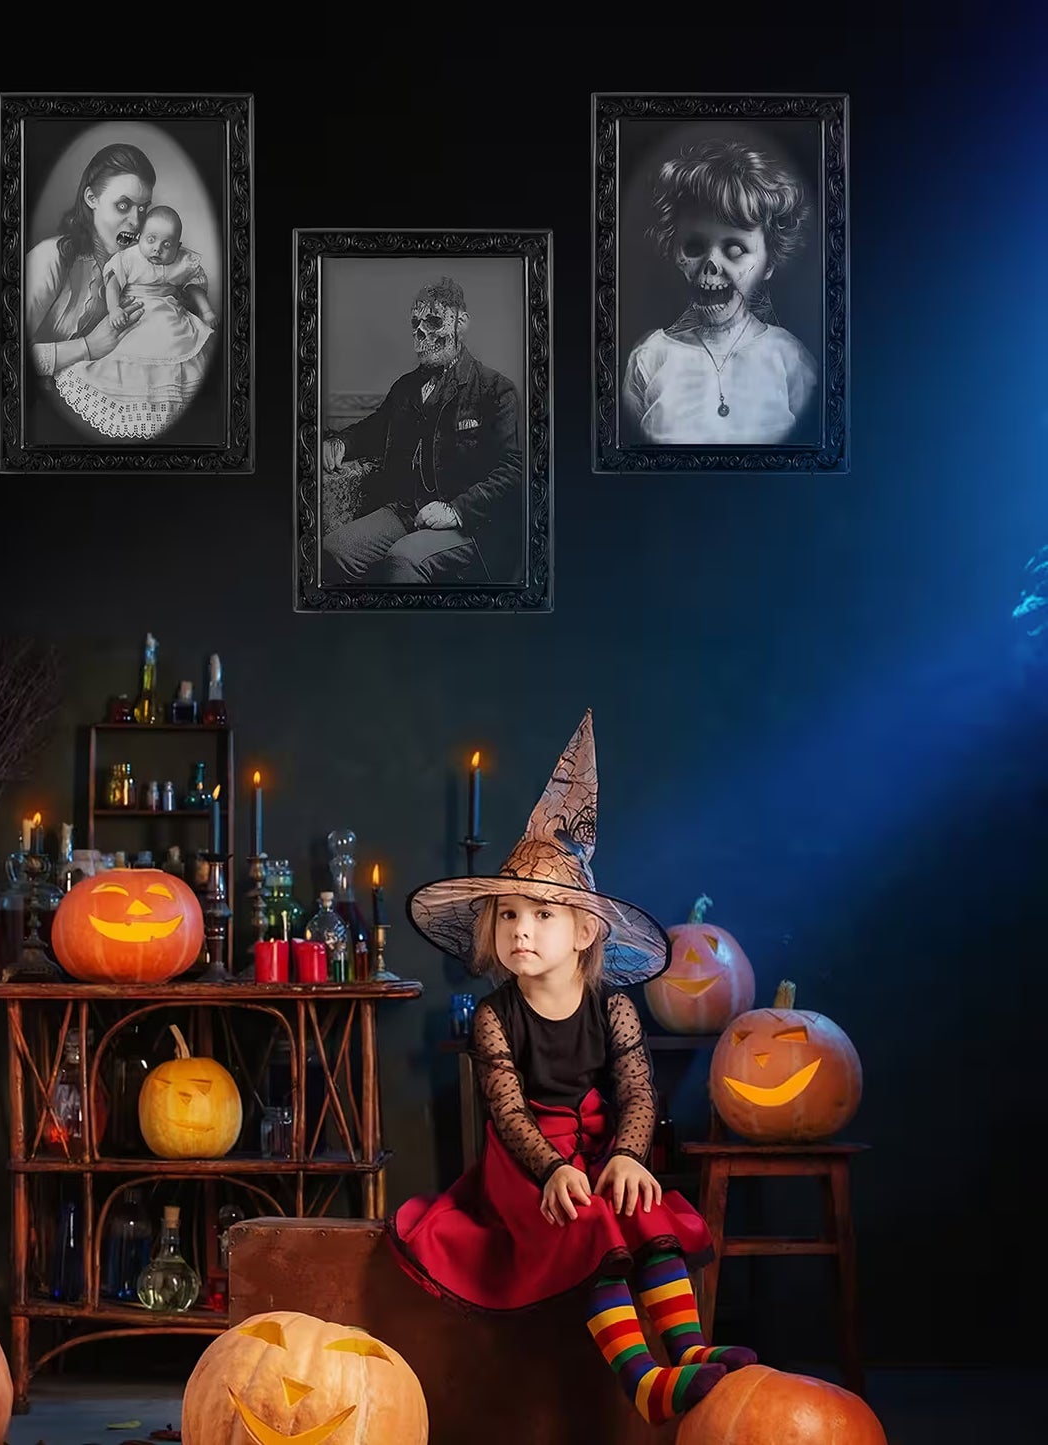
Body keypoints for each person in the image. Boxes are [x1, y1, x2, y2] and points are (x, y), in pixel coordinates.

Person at [389, 712, 757, 1427]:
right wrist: (552, 1169)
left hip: (593, 1147)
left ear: (585, 930)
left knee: (638, 1204)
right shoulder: (496, 1014)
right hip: (524, 1164)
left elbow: (637, 1093)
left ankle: (686, 1355)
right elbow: (507, 1108)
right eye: (508, 915)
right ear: (491, 928)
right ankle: (641, 1376)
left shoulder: (614, 1009)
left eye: (543, 914)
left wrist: (624, 1153)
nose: (521, 928)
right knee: (584, 1218)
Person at [321, 276, 522, 585]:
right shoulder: (406, 387)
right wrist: (341, 443)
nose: (421, 335)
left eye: (433, 321)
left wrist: (455, 510)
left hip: (469, 524)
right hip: (406, 511)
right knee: (334, 550)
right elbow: (375, 428)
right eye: (415, 324)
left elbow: (513, 470)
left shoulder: (496, 390)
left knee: (403, 560)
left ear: (461, 322)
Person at [623, 139, 818, 446]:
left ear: (769, 263)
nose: (711, 265)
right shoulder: (649, 358)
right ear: (674, 252)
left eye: (735, 249)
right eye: (695, 247)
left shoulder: (790, 359)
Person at [23, 143, 156, 439]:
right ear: (91, 198)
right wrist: (87, 347)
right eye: (123, 205)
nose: (136, 221)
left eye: (143, 208)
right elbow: (6, 357)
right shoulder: (52, 258)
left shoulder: (136, 270)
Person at [54, 203, 217, 439]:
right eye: (151, 239)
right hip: (135, 313)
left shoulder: (182, 261)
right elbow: (113, 284)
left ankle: (166, 409)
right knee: (129, 356)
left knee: (177, 354)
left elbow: (194, 287)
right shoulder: (128, 258)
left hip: (170, 318)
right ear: (139, 236)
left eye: (167, 244)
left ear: (178, 246)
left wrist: (207, 311)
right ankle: (133, 405)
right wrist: (114, 309)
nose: (157, 249)